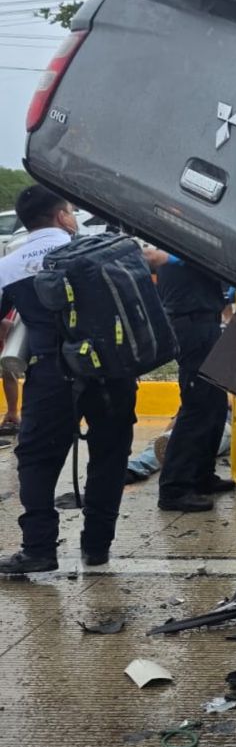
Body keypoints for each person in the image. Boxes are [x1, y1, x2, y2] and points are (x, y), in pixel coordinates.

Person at [0, 186, 139, 573]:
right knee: (110, 453)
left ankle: (39, 548)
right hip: (111, 371)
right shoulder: (98, 252)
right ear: (62, 217)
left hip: (52, 373)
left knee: (36, 458)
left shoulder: (9, 267)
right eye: (71, 212)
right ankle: (97, 548)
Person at [142, 249, 231, 512]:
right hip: (192, 325)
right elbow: (160, 256)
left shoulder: (192, 248)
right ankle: (174, 489)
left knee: (215, 404)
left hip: (205, 323)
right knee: (197, 407)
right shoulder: (181, 245)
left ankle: (202, 476)